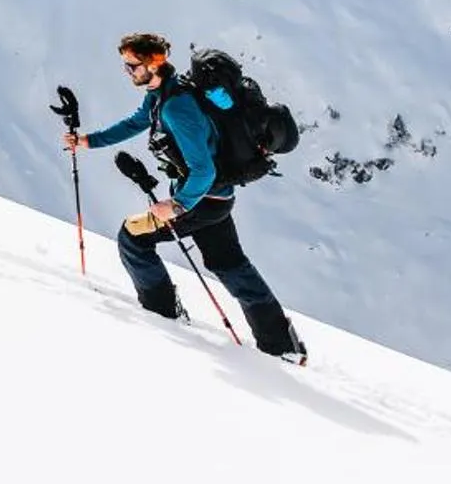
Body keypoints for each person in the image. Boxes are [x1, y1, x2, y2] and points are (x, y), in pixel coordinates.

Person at [62, 31, 305, 361]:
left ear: (154, 63)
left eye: (132, 66)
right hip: (217, 199)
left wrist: (176, 206)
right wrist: (89, 141)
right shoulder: (164, 93)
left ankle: (163, 314)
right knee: (229, 263)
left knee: (132, 238)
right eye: (125, 66)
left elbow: (202, 170)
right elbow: (137, 122)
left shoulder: (177, 108)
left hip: (201, 201)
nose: (128, 72)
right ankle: (281, 344)